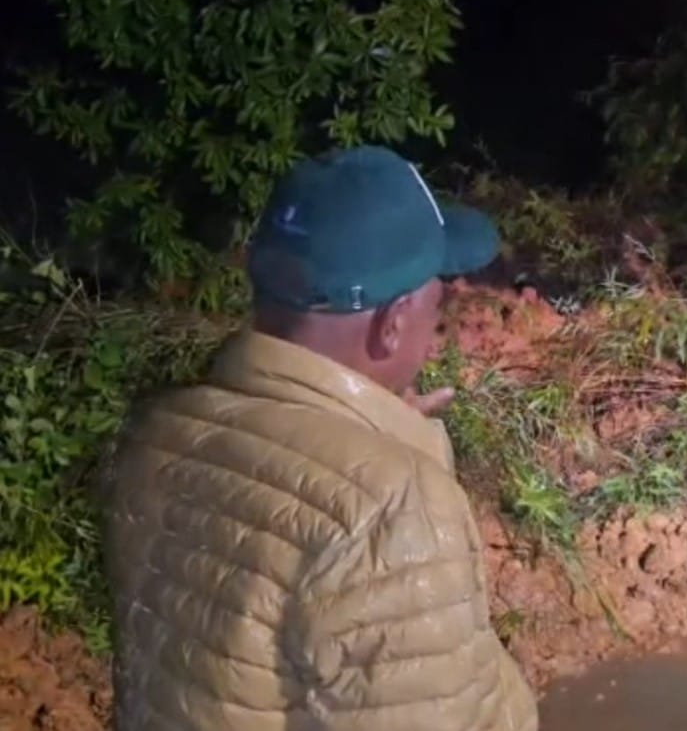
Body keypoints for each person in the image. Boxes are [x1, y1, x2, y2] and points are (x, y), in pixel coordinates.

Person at [100, 145, 540, 731]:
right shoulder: (390, 509)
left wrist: (389, 443)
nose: (435, 338)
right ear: (392, 324)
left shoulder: (157, 432)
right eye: (436, 310)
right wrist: (409, 470)